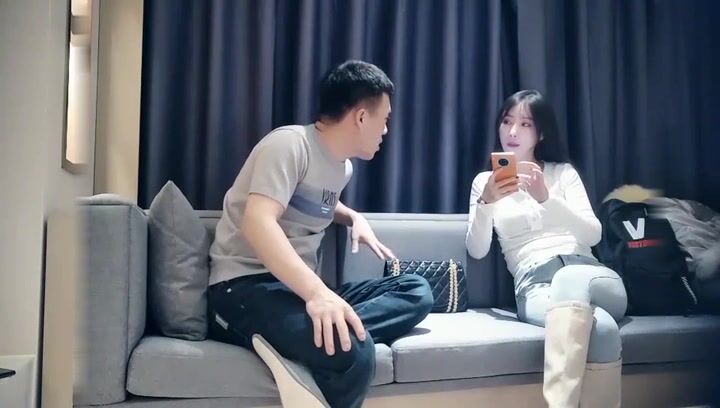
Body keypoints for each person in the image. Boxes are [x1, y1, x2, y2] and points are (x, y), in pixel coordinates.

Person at [207, 60, 433, 408]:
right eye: (385, 119)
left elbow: (318, 201)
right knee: (354, 351)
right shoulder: (288, 144)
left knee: (417, 290)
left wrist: (353, 217)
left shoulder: (343, 169)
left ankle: (310, 337)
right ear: (361, 117)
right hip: (242, 288)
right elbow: (258, 222)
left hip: (295, 293)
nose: (387, 130)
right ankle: (322, 333)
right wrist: (317, 293)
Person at [466, 90, 627, 408]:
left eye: (525, 124)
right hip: (536, 286)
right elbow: (477, 249)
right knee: (604, 330)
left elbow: (593, 234)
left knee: (570, 279)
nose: (512, 132)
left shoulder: (562, 173)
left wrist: (546, 199)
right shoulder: (485, 182)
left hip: (592, 276)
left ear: (540, 133)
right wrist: (486, 202)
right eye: (507, 121)